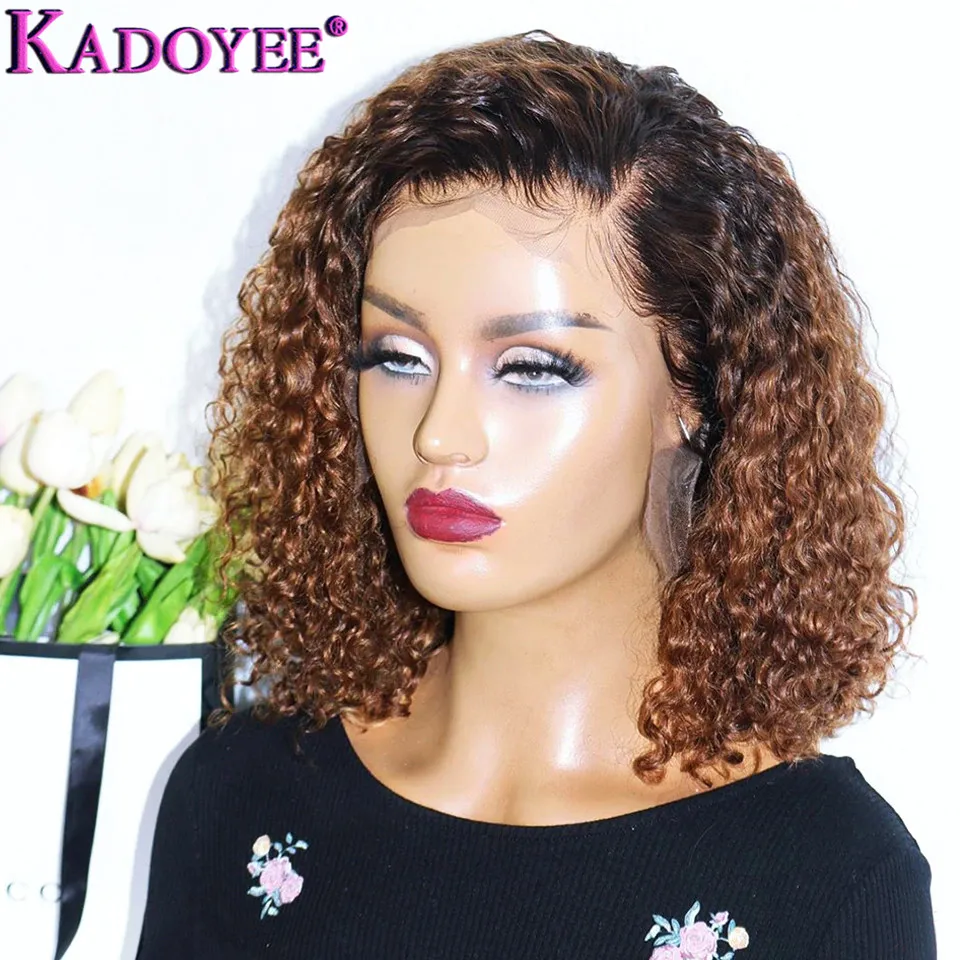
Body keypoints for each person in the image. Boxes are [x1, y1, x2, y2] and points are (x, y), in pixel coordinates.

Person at [136, 29, 936, 960]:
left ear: (693, 391)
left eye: (532, 368)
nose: (439, 433)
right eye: (397, 357)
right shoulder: (244, 794)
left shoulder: (824, 875)